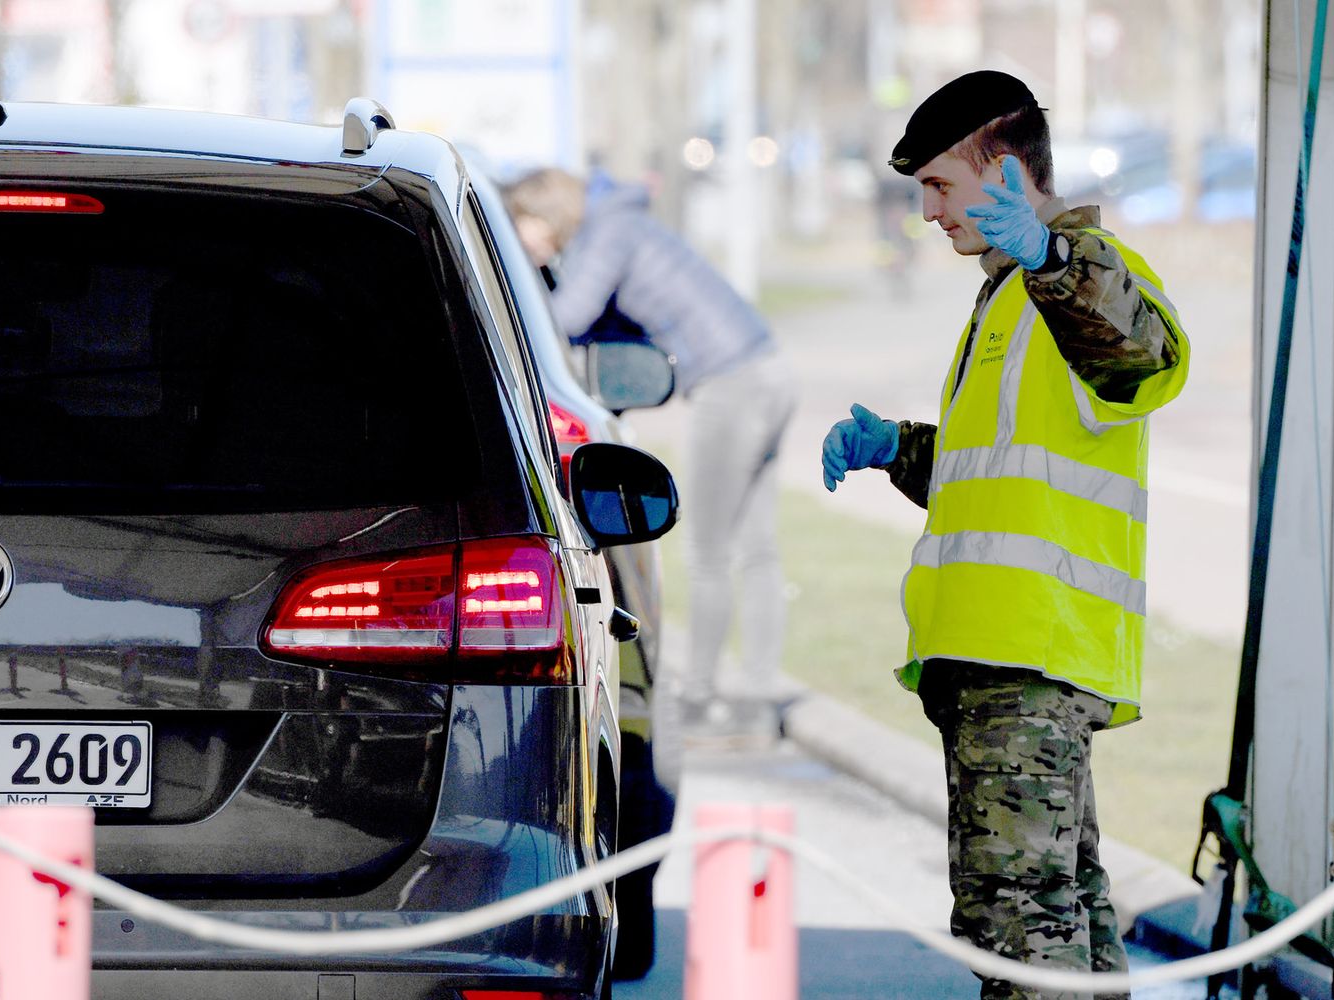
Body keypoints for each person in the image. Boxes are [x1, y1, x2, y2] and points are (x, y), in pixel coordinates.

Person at [819, 70, 1189, 998]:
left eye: (940, 185)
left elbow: (1145, 355)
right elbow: (992, 476)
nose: (929, 212)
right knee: (1063, 910)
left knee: (1015, 918)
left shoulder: (1077, 276)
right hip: (1004, 654)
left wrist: (1051, 260)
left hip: (1028, 651)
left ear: (1009, 175)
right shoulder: (1012, 295)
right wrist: (896, 448)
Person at [505, 168, 797, 737]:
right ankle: (760, 699)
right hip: (768, 368)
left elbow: (568, 319)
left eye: (524, 225)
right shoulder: (622, 221)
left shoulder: (606, 232)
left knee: (709, 550)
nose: (524, 240)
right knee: (756, 548)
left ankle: (702, 700)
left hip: (730, 385)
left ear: (547, 213)